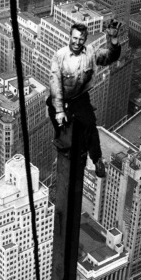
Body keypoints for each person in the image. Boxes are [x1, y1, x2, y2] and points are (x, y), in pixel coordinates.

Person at [48, 19, 121, 178]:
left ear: (85, 40)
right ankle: (61, 140)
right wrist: (59, 110)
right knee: (57, 116)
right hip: (62, 98)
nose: (77, 42)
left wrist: (113, 40)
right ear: (70, 37)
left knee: (90, 125)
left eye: (81, 39)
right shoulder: (60, 56)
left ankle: (97, 160)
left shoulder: (91, 53)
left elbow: (110, 57)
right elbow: (55, 87)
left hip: (80, 98)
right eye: (74, 38)